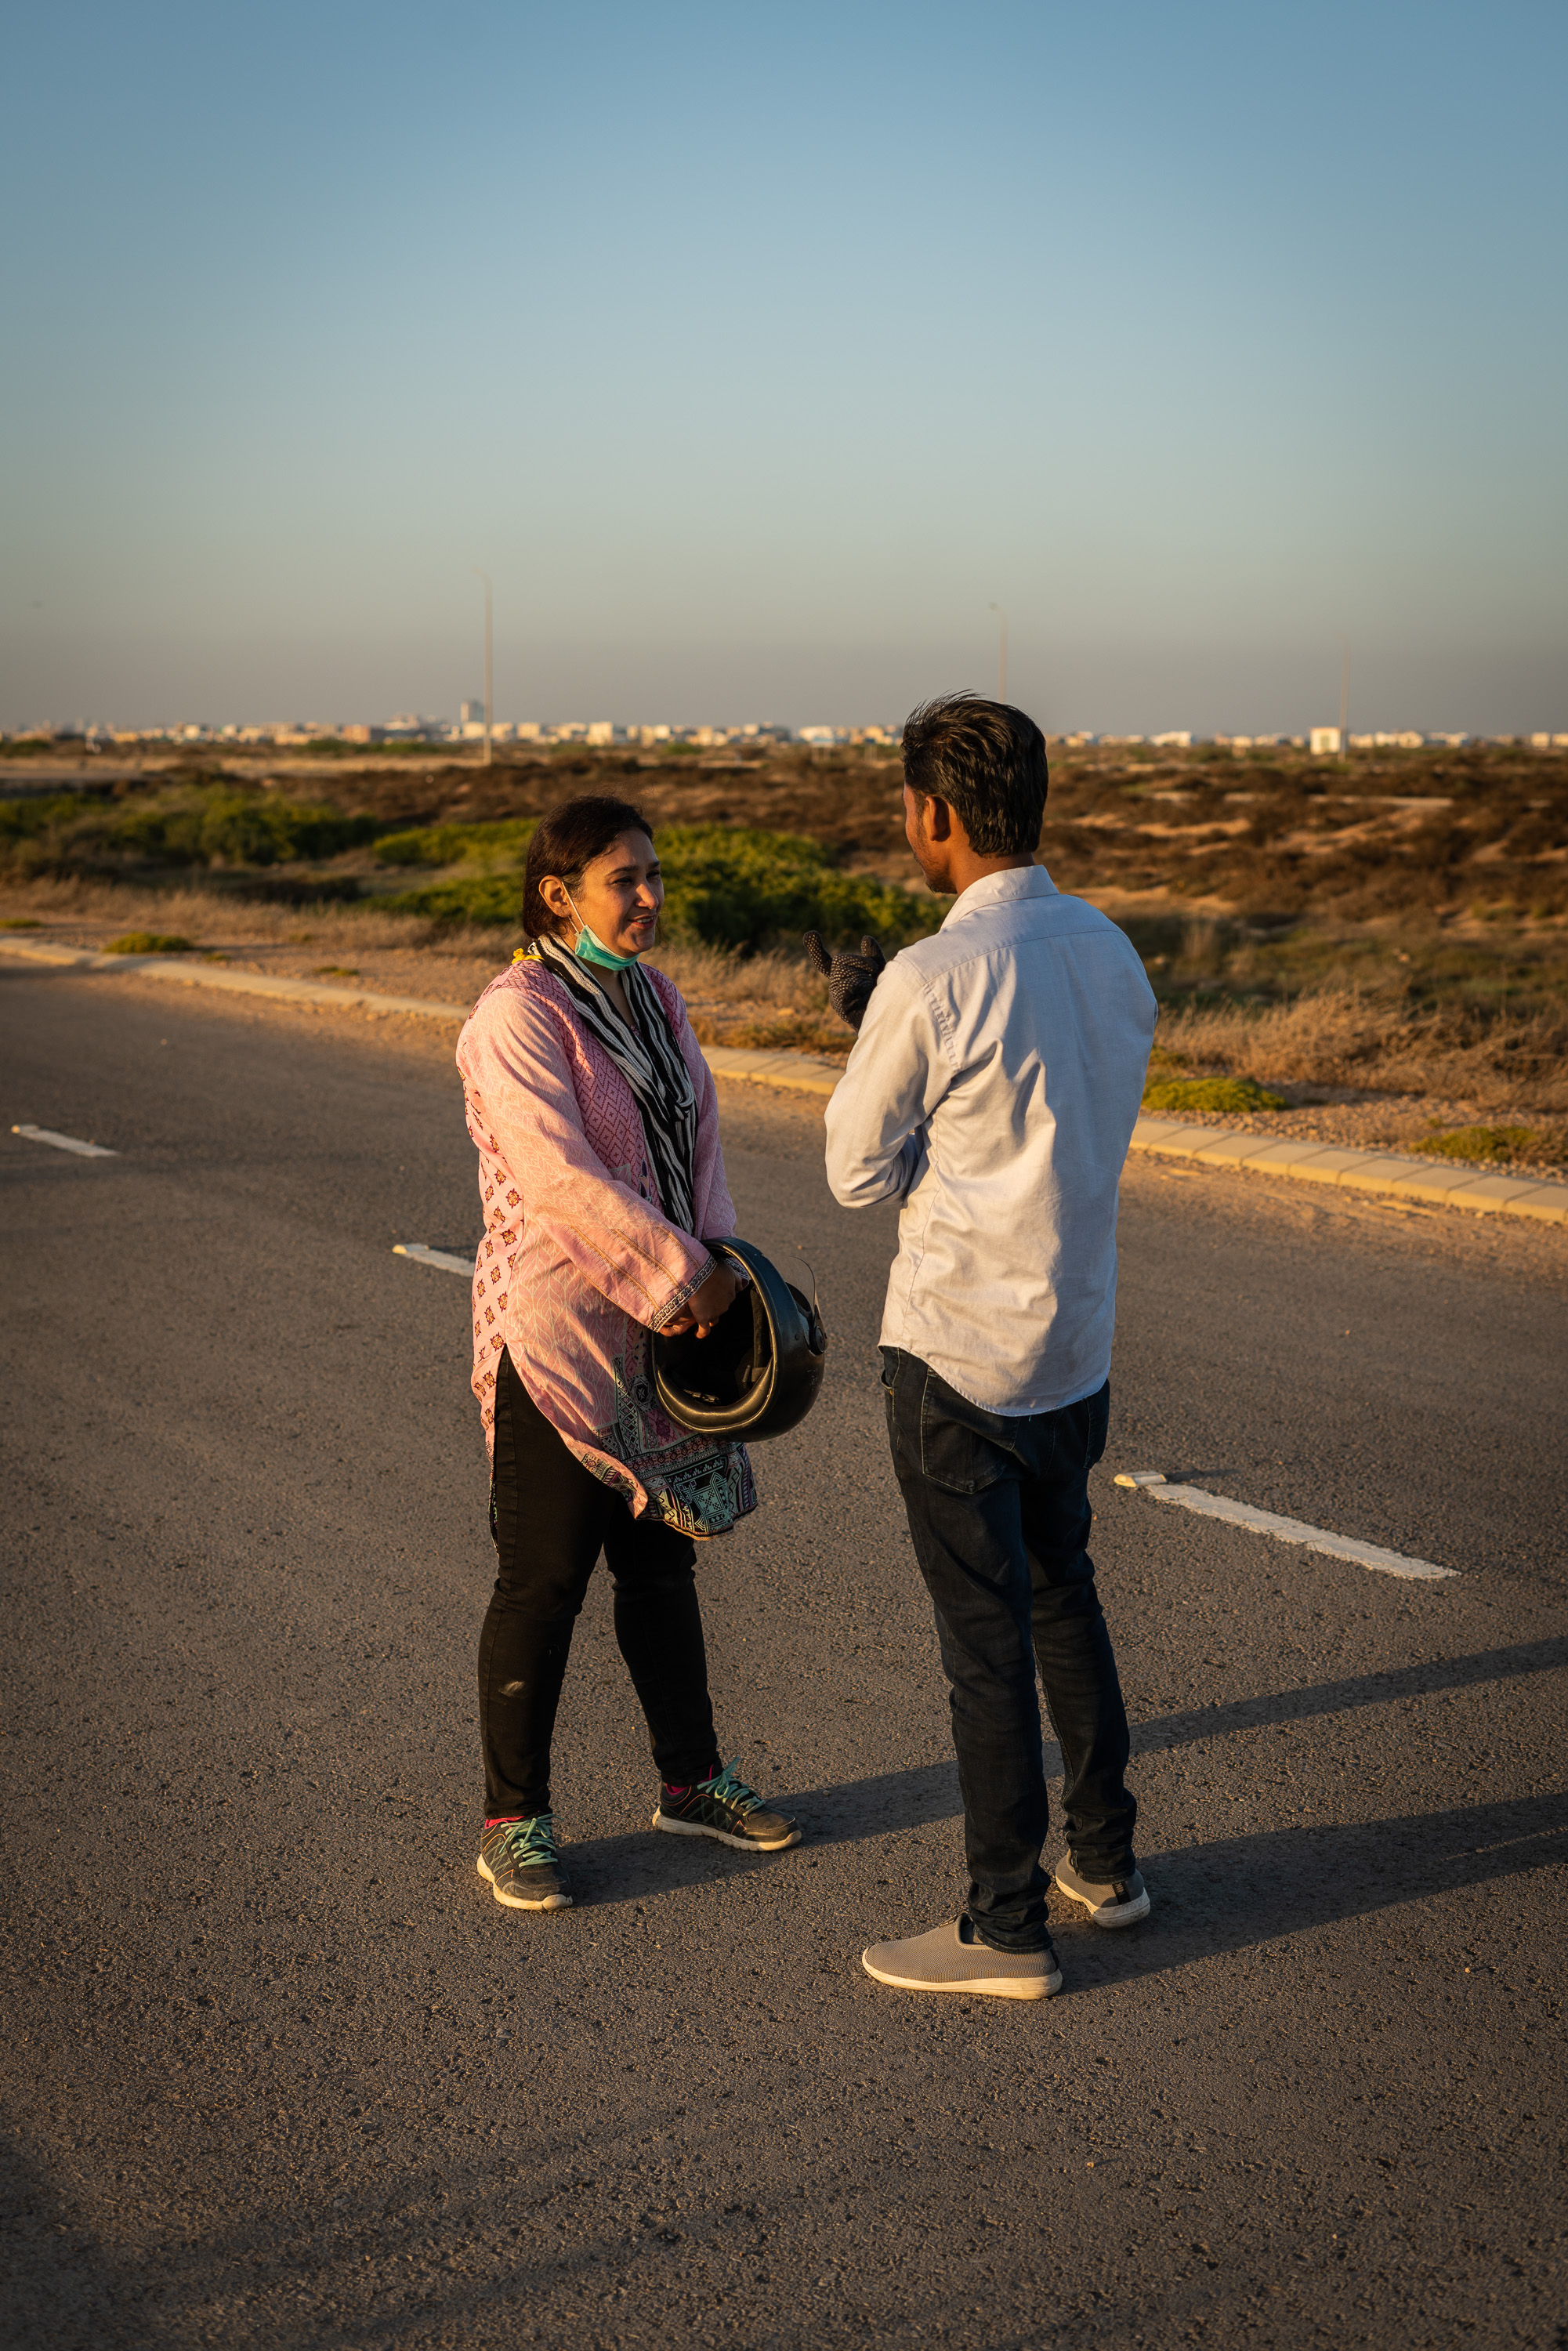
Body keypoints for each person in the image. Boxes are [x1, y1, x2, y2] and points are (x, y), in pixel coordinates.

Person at [811, 694, 1157, 1999]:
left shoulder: (930, 975)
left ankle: (1005, 1928)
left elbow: (854, 1174)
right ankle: (1108, 1867)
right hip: (1075, 1344)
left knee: (983, 1641)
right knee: (1064, 1591)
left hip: (957, 1355)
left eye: (909, 808)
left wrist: (902, 1105)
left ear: (934, 817)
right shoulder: (1113, 954)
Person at [456, 795, 799, 1913]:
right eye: (625, 880)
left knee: (662, 1562)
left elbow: (698, 1141)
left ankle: (691, 1783)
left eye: (654, 875)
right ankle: (516, 1824)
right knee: (545, 1578)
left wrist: (721, 1275)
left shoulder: (654, 998)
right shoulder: (514, 1017)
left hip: (667, 1329)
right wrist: (674, 1277)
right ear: (558, 895)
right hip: (556, 1333)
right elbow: (559, 1181)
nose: (650, 897)